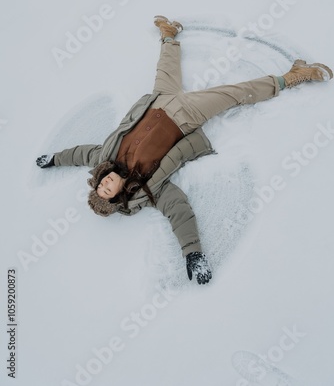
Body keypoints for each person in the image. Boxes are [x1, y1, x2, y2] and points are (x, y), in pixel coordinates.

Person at [36, 16, 333, 285]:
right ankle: (293, 76)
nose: (104, 183)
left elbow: (79, 154)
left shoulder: (104, 159)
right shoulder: (148, 190)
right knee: (235, 94)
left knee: (165, 67)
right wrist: (193, 253)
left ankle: (169, 34)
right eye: (106, 192)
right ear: (117, 197)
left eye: (99, 185)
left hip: (157, 101)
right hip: (184, 116)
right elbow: (179, 211)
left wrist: (54, 159)